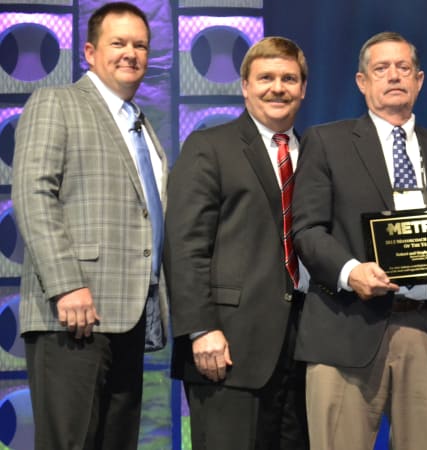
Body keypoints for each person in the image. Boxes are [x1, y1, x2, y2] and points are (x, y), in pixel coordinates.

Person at [291, 31, 427, 450]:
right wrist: (351, 272)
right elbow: (307, 230)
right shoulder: (327, 142)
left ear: (419, 80)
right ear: (362, 81)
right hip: (346, 327)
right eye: (381, 68)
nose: (394, 76)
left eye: (403, 68)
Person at [11, 2, 168, 449]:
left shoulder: (141, 125)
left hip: (129, 316)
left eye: (140, 45)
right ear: (89, 52)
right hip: (73, 314)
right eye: (118, 43)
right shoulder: (56, 103)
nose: (131, 53)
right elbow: (33, 194)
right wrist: (66, 285)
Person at [164, 36, 309, 449]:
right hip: (227, 348)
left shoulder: (318, 153)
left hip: (306, 350)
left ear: (303, 88)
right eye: (265, 78)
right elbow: (184, 245)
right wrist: (201, 328)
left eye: (289, 78)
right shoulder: (209, 147)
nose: (277, 88)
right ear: (245, 86)